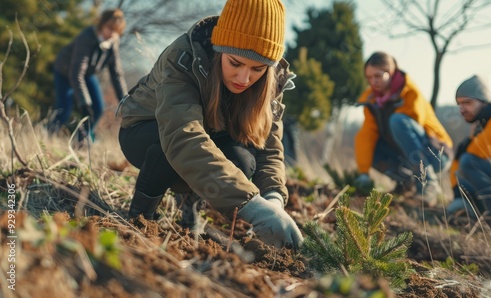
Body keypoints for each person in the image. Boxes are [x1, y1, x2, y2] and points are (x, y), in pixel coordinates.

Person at [116, 0, 302, 249]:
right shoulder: (184, 57)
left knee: (243, 161)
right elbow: (182, 136)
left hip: (206, 136)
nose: (244, 78)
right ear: (219, 49)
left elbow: (269, 146)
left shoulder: (271, 80)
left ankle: (190, 208)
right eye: (235, 63)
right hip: (146, 131)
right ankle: (139, 217)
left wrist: (273, 201)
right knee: (165, 146)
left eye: (257, 68)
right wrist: (251, 206)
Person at [353, 52, 453, 207]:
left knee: (397, 121)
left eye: (378, 76)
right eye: (369, 77)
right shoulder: (372, 101)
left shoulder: (409, 92)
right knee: (368, 144)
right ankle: (406, 183)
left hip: (436, 153)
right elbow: (366, 135)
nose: (373, 81)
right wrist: (364, 173)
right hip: (407, 156)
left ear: (390, 72)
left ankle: (428, 183)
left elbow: (413, 126)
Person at [49, 8, 128, 141]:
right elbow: (76, 73)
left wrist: (125, 101)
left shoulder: (113, 42)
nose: (112, 33)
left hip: (87, 74)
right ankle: (48, 136)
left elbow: (116, 74)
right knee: (64, 110)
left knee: (98, 108)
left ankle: (83, 141)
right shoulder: (87, 37)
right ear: (102, 24)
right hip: (65, 71)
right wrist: (84, 103)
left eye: (116, 31)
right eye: (109, 28)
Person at [446, 75, 491, 218]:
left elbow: (480, 151)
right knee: (456, 206)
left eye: (467, 103)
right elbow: (457, 165)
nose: (462, 109)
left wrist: (465, 150)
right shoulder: (481, 125)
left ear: (483, 101)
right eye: (459, 104)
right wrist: (458, 193)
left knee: (469, 162)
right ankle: (473, 213)